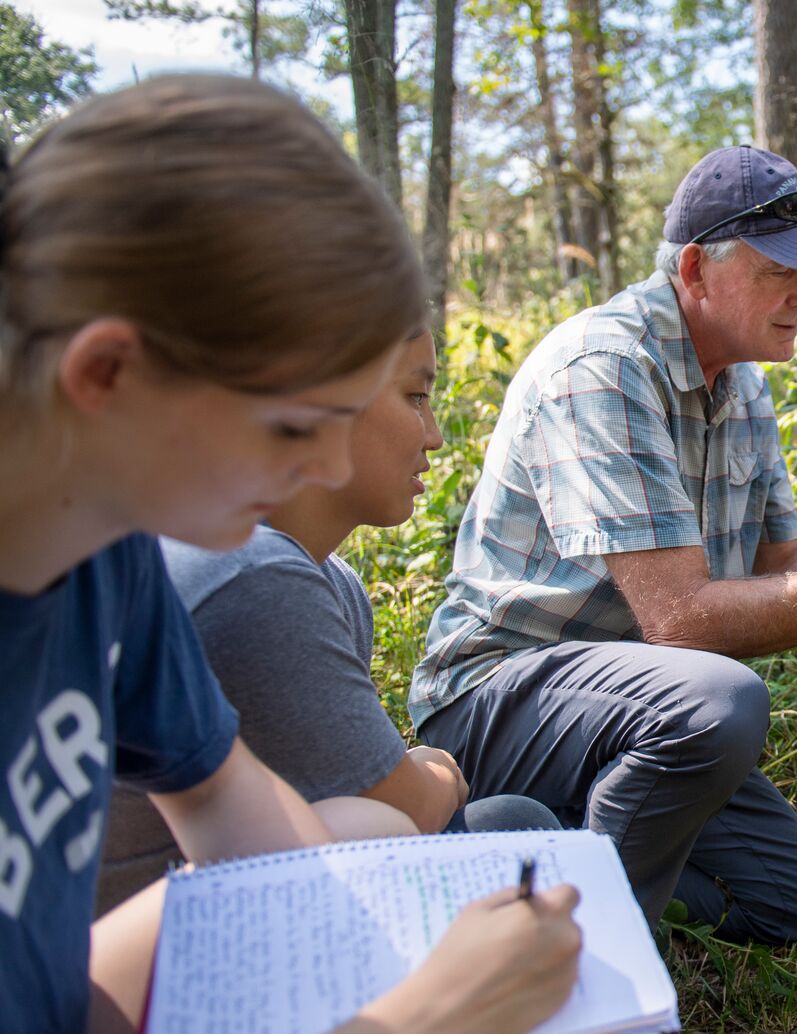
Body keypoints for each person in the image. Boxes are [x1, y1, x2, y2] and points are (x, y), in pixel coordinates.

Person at [0, 75, 580, 1033]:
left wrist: (389, 942)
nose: (326, 461)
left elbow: (225, 796)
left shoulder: (108, 548)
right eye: (292, 425)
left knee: (362, 829)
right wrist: (427, 1015)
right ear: (106, 374)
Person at [410, 144, 797, 945]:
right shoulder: (604, 368)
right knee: (720, 701)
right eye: (783, 272)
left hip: (642, 711)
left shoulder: (741, 380)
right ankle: (581, 948)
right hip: (499, 699)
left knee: (787, 904)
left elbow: (783, 564)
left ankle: (516, 852)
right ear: (696, 269)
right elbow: (684, 626)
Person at [96, 329, 560, 915]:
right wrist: (437, 767)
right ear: (321, 403)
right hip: (125, 956)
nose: (437, 438)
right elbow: (405, 807)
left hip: (211, 894)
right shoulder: (254, 576)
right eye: (416, 396)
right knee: (509, 828)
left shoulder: (331, 582)